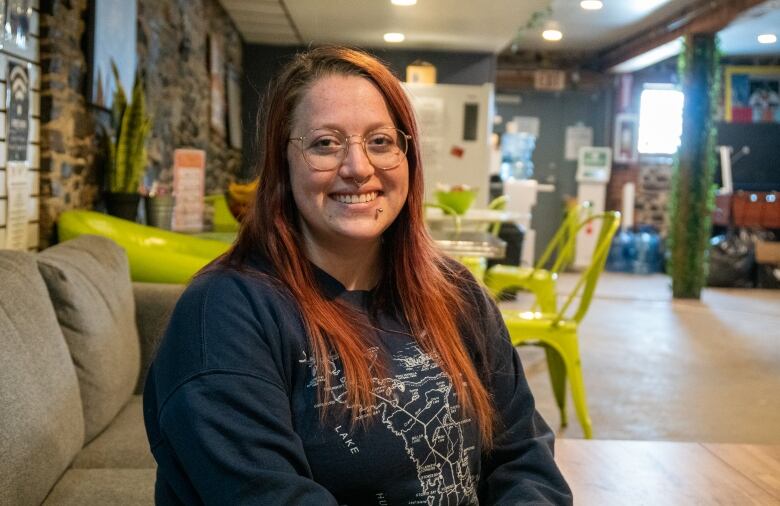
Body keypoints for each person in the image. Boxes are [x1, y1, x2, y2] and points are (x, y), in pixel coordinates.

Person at [143, 45, 572, 505]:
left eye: (380, 141)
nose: (358, 167)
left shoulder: (455, 292)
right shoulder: (225, 314)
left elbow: (524, 458)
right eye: (325, 143)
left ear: (407, 157)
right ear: (282, 163)